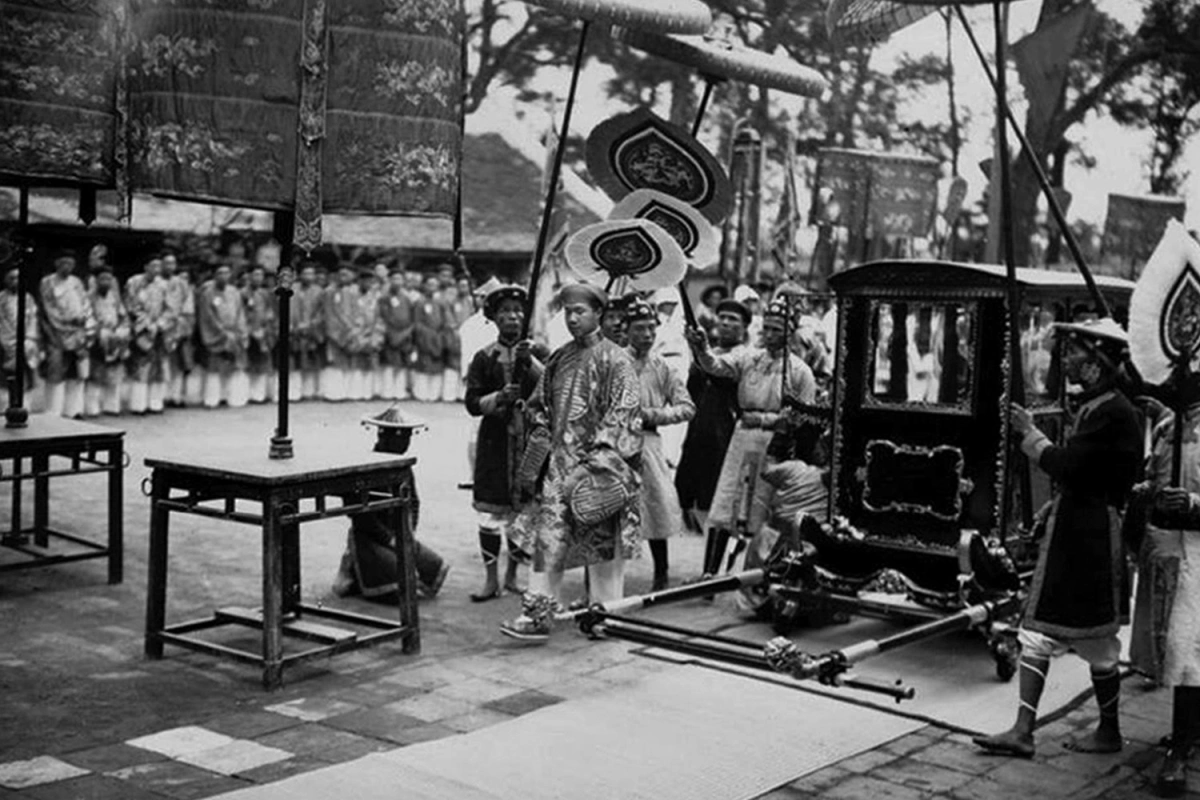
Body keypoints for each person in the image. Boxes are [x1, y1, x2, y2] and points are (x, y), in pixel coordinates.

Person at [974, 317, 1142, 759]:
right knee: (1055, 634)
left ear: (1095, 363)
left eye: (1073, 354)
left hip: (1089, 540)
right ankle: (1030, 730)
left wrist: (1029, 434)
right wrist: (1054, 506)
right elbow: (1085, 476)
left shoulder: (1112, 412)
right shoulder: (1101, 406)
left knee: (1082, 639)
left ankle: (1082, 732)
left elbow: (1069, 466)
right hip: (1079, 529)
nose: (1064, 360)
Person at [501, 282, 643, 642]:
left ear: (599, 314)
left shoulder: (617, 359)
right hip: (559, 469)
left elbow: (623, 415)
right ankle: (537, 614)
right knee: (548, 543)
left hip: (601, 471)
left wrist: (595, 461)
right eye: (567, 312)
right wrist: (535, 436)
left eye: (580, 311)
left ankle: (607, 616)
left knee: (603, 551)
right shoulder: (559, 357)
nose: (573, 318)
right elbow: (541, 406)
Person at [684, 299, 816, 580]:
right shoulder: (748, 357)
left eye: (777, 329)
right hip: (742, 437)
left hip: (775, 444)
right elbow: (716, 366)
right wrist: (701, 347)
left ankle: (755, 575)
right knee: (725, 504)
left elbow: (804, 418)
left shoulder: (800, 371)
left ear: (789, 332)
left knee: (762, 509)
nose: (769, 334)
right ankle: (709, 573)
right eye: (766, 328)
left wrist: (772, 422)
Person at [1130, 401, 1200, 796]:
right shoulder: (1167, 427)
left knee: (1189, 651)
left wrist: (1192, 504)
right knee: (1172, 650)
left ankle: (1181, 745)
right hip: (1169, 551)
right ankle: (1185, 731)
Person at [465, 284, 542, 601]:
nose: (513, 316)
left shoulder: (538, 354)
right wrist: (498, 397)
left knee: (521, 514)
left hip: (527, 441)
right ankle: (490, 579)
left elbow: (551, 388)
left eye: (518, 311)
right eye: (506, 312)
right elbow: (471, 402)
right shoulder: (483, 358)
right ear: (494, 318)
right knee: (490, 512)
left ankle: (512, 576)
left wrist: (532, 364)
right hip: (494, 441)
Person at [625, 298, 694, 590]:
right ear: (626, 330)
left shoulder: (663, 366)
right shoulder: (612, 362)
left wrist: (652, 414)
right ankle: (601, 579)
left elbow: (686, 407)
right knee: (608, 510)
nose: (647, 335)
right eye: (640, 329)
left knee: (655, 505)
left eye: (651, 328)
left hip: (648, 441)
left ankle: (661, 573)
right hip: (612, 443)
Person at [676, 298, 749, 537]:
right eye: (723, 317)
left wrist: (702, 355)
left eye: (733, 319)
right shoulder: (708, 353)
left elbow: (723, 379)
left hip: (727, 430)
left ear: (745, 327)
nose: (726, 323)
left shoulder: (746, 356)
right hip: (699, 429)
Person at [40, 249, 95, 418]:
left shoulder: (77, 282)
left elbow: (85, 303)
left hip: (78, 334)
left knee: (77, 373)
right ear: (56, 264)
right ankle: (53, 411)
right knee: (56, 372)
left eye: (70, 263)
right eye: (64, 263)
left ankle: (74, 410)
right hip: (56, 334)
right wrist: (68, 321)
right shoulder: (47, 282)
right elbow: (49, 308)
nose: (67, 267)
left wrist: (84, 320)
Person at [124, 255, 173, 414]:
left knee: (159, 366)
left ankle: (155, 403)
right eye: (153, 266)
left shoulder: (163, 285)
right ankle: (138, 405)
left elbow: (170, 308)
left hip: (159, 330)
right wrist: (146, 324)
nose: (156, 270)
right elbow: (132, 306)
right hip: (141, 331)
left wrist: (159, 324)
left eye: (159, 267)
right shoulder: (134, 283)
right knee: (141, 366)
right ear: (146, 267)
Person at [196, 264, 250, 408]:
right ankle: (212, 399)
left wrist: (239, 332)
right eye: (220, 273)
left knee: (232, 367)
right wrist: (222, 333)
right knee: (214, 368)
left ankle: (228, 397)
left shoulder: (234, 292)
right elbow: (207, 317)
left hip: (234, 334)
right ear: (214, 275)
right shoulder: (207, 293)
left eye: (227, 273)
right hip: (216, 335)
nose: (224, 276)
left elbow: (240, 314)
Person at [85, 265, 130, 417]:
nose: (105, 282)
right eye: (102, 279)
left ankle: (112, 406)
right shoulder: (88, 297)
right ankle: (92, 407)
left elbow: (123, 316)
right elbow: (87, 317)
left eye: (108, 279)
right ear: (96, 280)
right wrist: (99, 331)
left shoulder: (115, 297)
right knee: (96, 375)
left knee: (114, 374)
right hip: (97, 338)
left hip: (115, 338)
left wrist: (120, 331)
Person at [0, 266, 42, 410]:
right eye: (12, 278)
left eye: (18, 278)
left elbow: (33, 320)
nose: (15, 281)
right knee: (5, 379)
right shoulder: (1, 298)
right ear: (5, 280)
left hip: (26, 345)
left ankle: (25, 407)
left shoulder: (28, 298)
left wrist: (29, 339)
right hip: (5, 345)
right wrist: (9, 341)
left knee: (25, 377)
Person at [321, 265, 360, 401]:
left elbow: (357, 313)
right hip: (335, 334)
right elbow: (328, 314)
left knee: (349, 364)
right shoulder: (329, 291)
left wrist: (354, 331)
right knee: (334, 364)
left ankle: (347, 392)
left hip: (351, 333)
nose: (344, 277)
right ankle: (333, 394)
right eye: (341, 274)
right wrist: (336, 334)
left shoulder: (354, 292)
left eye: (347, 274)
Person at [290, 260, 325, 401]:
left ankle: (309, 392)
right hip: (294, 330)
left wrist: (310, 324)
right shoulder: (292, 289)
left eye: (311, 273)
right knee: (295, 362)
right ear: (299, 275)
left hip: (312, 331)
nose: (308, 276)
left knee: (312, 361)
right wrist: (293, 326)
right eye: (305, 273)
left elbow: (322, 312)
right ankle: (295, 393)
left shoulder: (319, 291)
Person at [242, 265, 276, 404]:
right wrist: (250, 330)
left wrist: (266, 328)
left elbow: (270, 312)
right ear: (249, 276)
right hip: (247, 333)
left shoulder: (265, 293)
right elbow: (239, 314)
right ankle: (246, 394)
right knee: (248, 364)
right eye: (255, 275)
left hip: (263, 333)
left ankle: (260, 395)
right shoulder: (242, 293)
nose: (259, 278)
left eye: (261, 275)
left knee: (263, 365)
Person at [412, 274, 447, 402]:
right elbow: (417, 323)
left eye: (434, 285)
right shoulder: (419, 303)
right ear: (424, 286)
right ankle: (421, 393)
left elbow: (445, 321)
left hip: (438, 339)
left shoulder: (441, 303)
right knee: (423, 366)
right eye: (429, 284)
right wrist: (428, 335)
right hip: (424, 339)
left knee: (436, 367)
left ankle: (433, 394)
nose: (432, 287)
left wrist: (439, 336)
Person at [442, 274, 474, 402]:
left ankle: (462, 395)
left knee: (466, 366)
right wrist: (455, 330)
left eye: (465, 286)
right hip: (454, 336)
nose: (463, 288)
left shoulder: (471, 302)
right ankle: (449, 395)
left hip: (468, 338)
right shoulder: (451, 301)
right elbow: (448, 318)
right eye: (461, 286)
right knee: (452, 367)